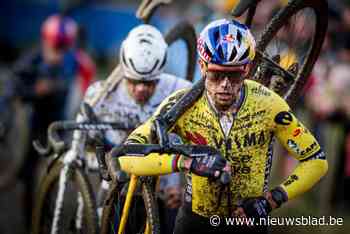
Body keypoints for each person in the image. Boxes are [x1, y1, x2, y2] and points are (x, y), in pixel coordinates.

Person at [108, 19, 328, 234]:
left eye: (233, 75)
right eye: (215, 74)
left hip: (249, 220)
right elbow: (127, 155)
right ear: (202, 67)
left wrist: (272, 200)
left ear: (247, 69)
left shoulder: (269, 104)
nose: (224, 84)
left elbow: (316, 161)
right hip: (196, 219)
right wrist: (184, 163)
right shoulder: (181, 104)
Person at [66, 24, 191, 232]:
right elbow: (82, 126)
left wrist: (181, 185)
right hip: (117, 173)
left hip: (162, 178)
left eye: (150, 83)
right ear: (123, 71)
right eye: (133, 81)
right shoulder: (102, 92)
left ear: (160, 74)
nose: (141, 89)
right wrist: (77, 154)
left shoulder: (180, 89)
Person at [13, 14, 95, 228]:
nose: (58, 53)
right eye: (54, 46)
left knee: (55, 173)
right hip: (36, 123)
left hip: (61, 125)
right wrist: (35, 90)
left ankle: (47, 211)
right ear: (44, 41)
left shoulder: (78, 62)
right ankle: (30, 218)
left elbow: (90, 92)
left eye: (63, 47)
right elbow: (15, 89)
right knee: (28, 174)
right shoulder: (33, 59)